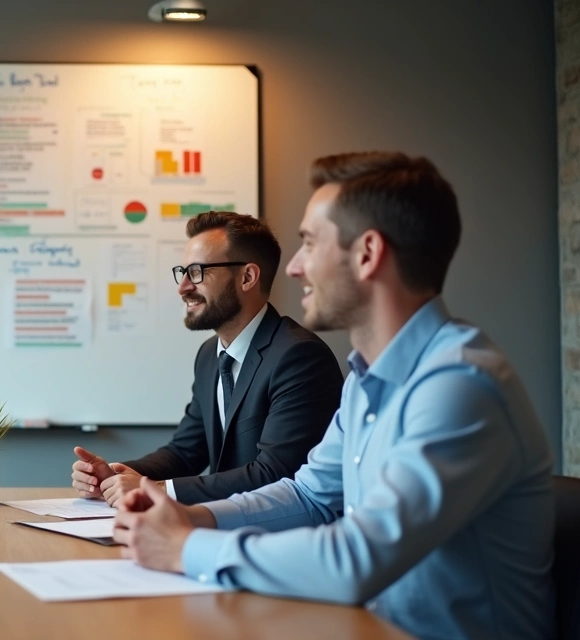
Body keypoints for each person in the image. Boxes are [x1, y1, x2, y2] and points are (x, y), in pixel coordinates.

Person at [112, 152, 555, 639]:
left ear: (367, 253)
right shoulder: (367, 379)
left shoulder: (460, 386)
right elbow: (310, 497)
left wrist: (185, 547)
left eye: (309, 243)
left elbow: (357, 560)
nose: (296, 267)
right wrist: (192, 516)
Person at [71, 211, 342, 506]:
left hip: (278, 537)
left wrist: (158, 490)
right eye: (183, 272)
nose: (183, 287)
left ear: (248, 277)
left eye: (198, 272)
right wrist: (115, 476)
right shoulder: (209, 356)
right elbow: (185, 451)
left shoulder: (298, 356)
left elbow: (276, 473)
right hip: (220, 526)